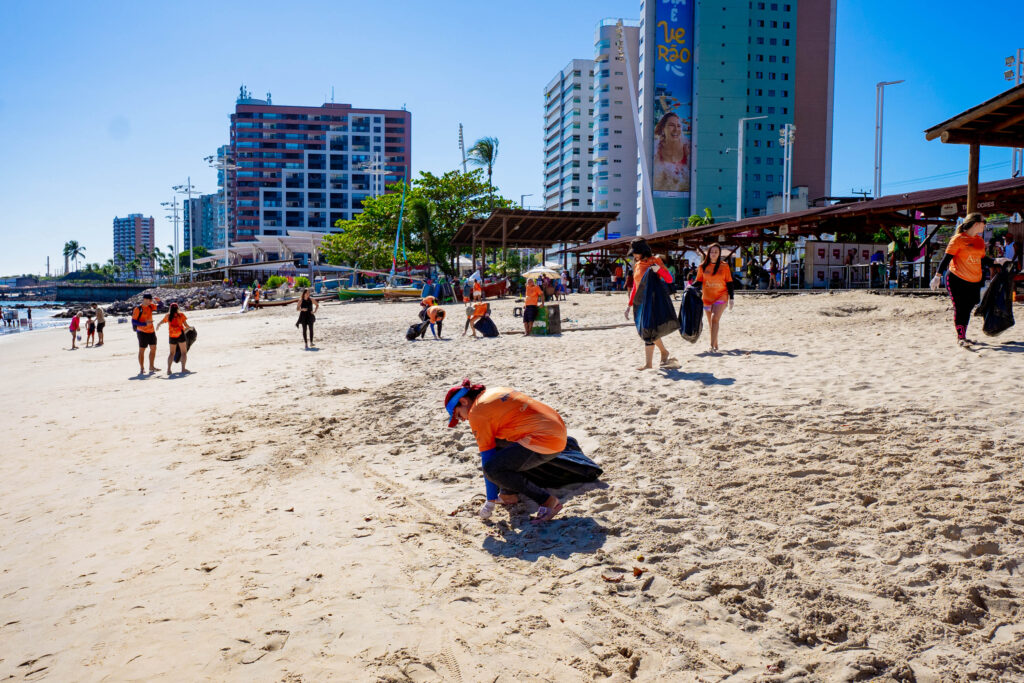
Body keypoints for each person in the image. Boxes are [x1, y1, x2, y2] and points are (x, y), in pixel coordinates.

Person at [444, 379, 567, 524]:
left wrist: (490, 500)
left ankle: (547, 501)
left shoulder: (477, 413)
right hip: (558, 432)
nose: (463, 420)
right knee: (495, 442)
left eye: (458, 415)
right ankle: (509, 495)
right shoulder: (493, 392)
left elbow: (487, 459)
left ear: (464, 401)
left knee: (492, 469)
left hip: (545, 440)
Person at [930, 213, 991, 347]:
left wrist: (997, 260)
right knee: (960, 308)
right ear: (976, 223)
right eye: (984, 221)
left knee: (968, 308)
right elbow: (946, 259)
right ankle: (961, 337)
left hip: (974, 280)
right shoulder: (958, 239)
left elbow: (982, 259)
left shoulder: (979, 241)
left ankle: (963, 336)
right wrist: (937, 277)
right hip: (956, 279)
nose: (985, 224)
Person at [623, 238, 675, 370]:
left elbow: (669, 279)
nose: (634, 255)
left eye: (636, 252)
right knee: (647, 330)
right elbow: (635, 286)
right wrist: (629, 305)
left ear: (643, 251)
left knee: (647, 329)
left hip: (653, 301)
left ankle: (650, 362)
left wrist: (658, 269)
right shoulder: (637, 265)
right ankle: (662, 353)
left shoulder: (655, 260)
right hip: (641, 303)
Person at [695, 244, 736, 353]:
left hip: (721, 296)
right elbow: (698, 281)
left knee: (715, 319)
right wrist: (689, 288)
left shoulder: (724, 266)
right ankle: (716, 344)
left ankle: (711, 346)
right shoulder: (702, 266)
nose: (713, 254)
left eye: (716, 252)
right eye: (711, 252)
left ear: (719, 254)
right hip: (707, 298)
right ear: (708, 253)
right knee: (711, 323)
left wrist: (731, 298)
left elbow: (729, 282)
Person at [652, 112, 690, 193]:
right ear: (663, 128)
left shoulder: (688, 148)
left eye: (679, 126)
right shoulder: (655, 149)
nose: (676, 129)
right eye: (671, 125)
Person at [155, 302, 191, 375]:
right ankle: (183, 369)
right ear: (177, 308)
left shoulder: (168, 316)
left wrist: (158, 325)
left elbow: (162, 322)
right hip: (180, 334)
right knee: (183, 352)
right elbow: (186, 325)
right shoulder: (181, 315)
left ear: (170, 308)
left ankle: (168, 370)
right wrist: (190, 328)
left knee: (171, 353)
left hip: (172, 335)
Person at [132, 293, 161, 374]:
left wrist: (160, 301)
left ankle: (151, 367)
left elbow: (161, 307)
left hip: (151, 331)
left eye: (151, 300)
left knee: (153, 348)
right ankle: (142, 368)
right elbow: (133, 321)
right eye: (150, 300)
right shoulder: (138, 309)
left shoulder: (150, 306)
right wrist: (145, 324)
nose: (151, 301)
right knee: (142, 350)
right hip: (142, 332)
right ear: (145, 299)